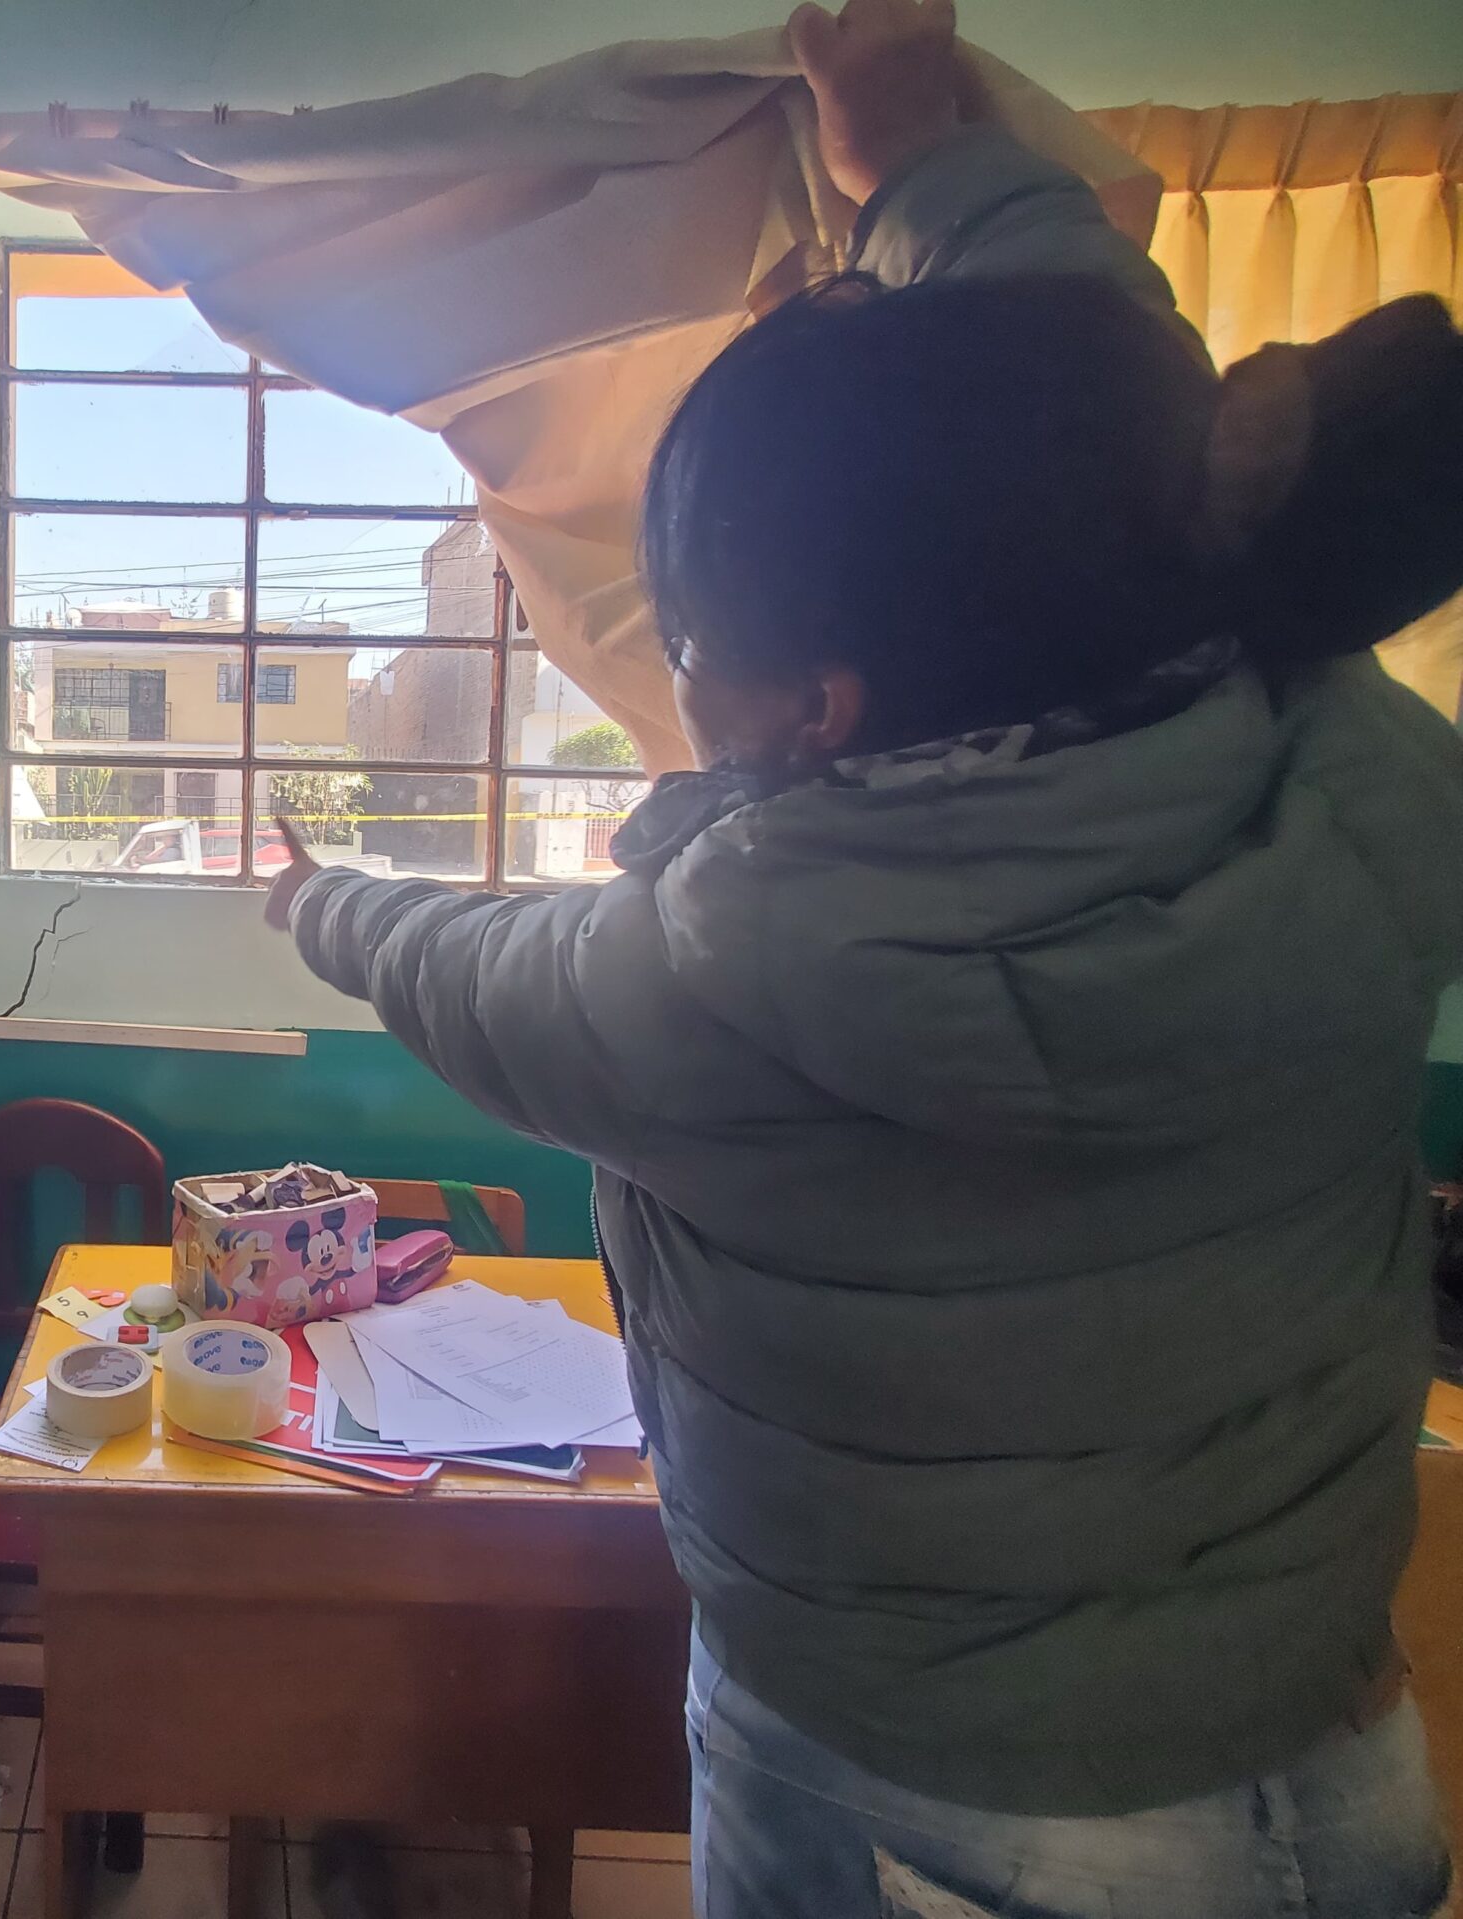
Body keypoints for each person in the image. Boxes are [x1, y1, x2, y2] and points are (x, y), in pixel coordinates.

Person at [263, 2, 1463, 1913]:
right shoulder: (1361, 783)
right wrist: (916, 160)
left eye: (690, 640)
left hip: (943, 1795)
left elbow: (460, 968)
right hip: (1317, 1747)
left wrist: (314, 899)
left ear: (819, 708)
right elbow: (1081, 402)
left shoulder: (718, 988)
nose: (673, 678)